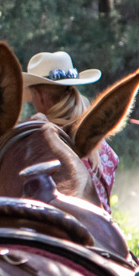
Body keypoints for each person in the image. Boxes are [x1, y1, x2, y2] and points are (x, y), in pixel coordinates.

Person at [22, 50, 118, 212]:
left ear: (38, 96)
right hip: (100, 227)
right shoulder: (101, 146)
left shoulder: (35, 138)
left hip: (52, 226)